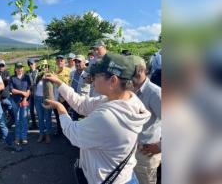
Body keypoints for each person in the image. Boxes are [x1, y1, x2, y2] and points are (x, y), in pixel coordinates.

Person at [44, 53, 150, 184]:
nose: (91, 78)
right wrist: (60, 83)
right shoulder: (127, 101)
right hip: (122, 176)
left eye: (96, 75)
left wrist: (60, 108)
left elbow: (73, 133)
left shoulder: (107, 117)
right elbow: (81, 104)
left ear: (113, 80)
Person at [130, 56, 162, 184]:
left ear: (142, 70)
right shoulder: (130, 88)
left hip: (145, 154)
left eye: (133, 70)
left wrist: (160, 147)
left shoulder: (155, 93)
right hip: (130, 151)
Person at [10, 62, 31, 145]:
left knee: (24, 120)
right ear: (15, 69)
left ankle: (24, 137)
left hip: (25, 101)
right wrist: (22, 93)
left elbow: (29, 89)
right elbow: (12, 90)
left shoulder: (26, 77)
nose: (20, 69)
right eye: (18, 67)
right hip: (15, 102)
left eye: (21, 67)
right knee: (17, 120)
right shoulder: (12, 78)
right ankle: (17, 138)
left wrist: (25, 98)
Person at [34, 60, 52, 143]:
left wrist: (53, 100)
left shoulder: (50, 76)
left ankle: (48, 135)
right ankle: (41, 134)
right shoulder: (38, 76)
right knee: (40, 118)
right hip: (37, 99)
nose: (44, 68)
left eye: (46, 66)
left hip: (47, 99)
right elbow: (34, 87)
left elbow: (54, 89)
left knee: (47, 118)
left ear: (48, 67)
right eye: (43, 66)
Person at [0, 59, 15, 127]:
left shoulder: (7, 72)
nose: (1, 67)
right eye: (0, 65)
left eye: (3, 65)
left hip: (7, 98)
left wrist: (3, 81)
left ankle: (6, 127)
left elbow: (8, 81)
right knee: (1, 117)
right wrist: (4, 80)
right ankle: (2, 131)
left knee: (13, 115)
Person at [53, 54, 71, 135]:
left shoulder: (69, 71)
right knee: (58, 115)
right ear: (56, 62)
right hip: (57, 97)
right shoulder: (54, 73)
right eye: (58, 60)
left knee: (67, 115)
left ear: (64, 61)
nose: (59, 62)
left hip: (66, 98)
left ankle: (68, 132)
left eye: (61, 60)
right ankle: (59, 130)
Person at [69, 55, 90, 120]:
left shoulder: (88, 73)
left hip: (84, 102)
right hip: (74, 101)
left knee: (84, 122)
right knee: (74, 121)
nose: (77, 64)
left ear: (84, 62)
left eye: (79, 62)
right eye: (76, 62)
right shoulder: (72, 73)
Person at [26, 58, 38, 129]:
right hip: (30, 94)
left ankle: (42, 124)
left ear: (35, 64)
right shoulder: (27, 73)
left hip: (38, 94)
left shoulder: (39, 72)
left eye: (32, 63)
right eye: (29, 64)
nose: (30, 65)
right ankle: (34, 124)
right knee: (31, 110)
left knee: (39, 110)